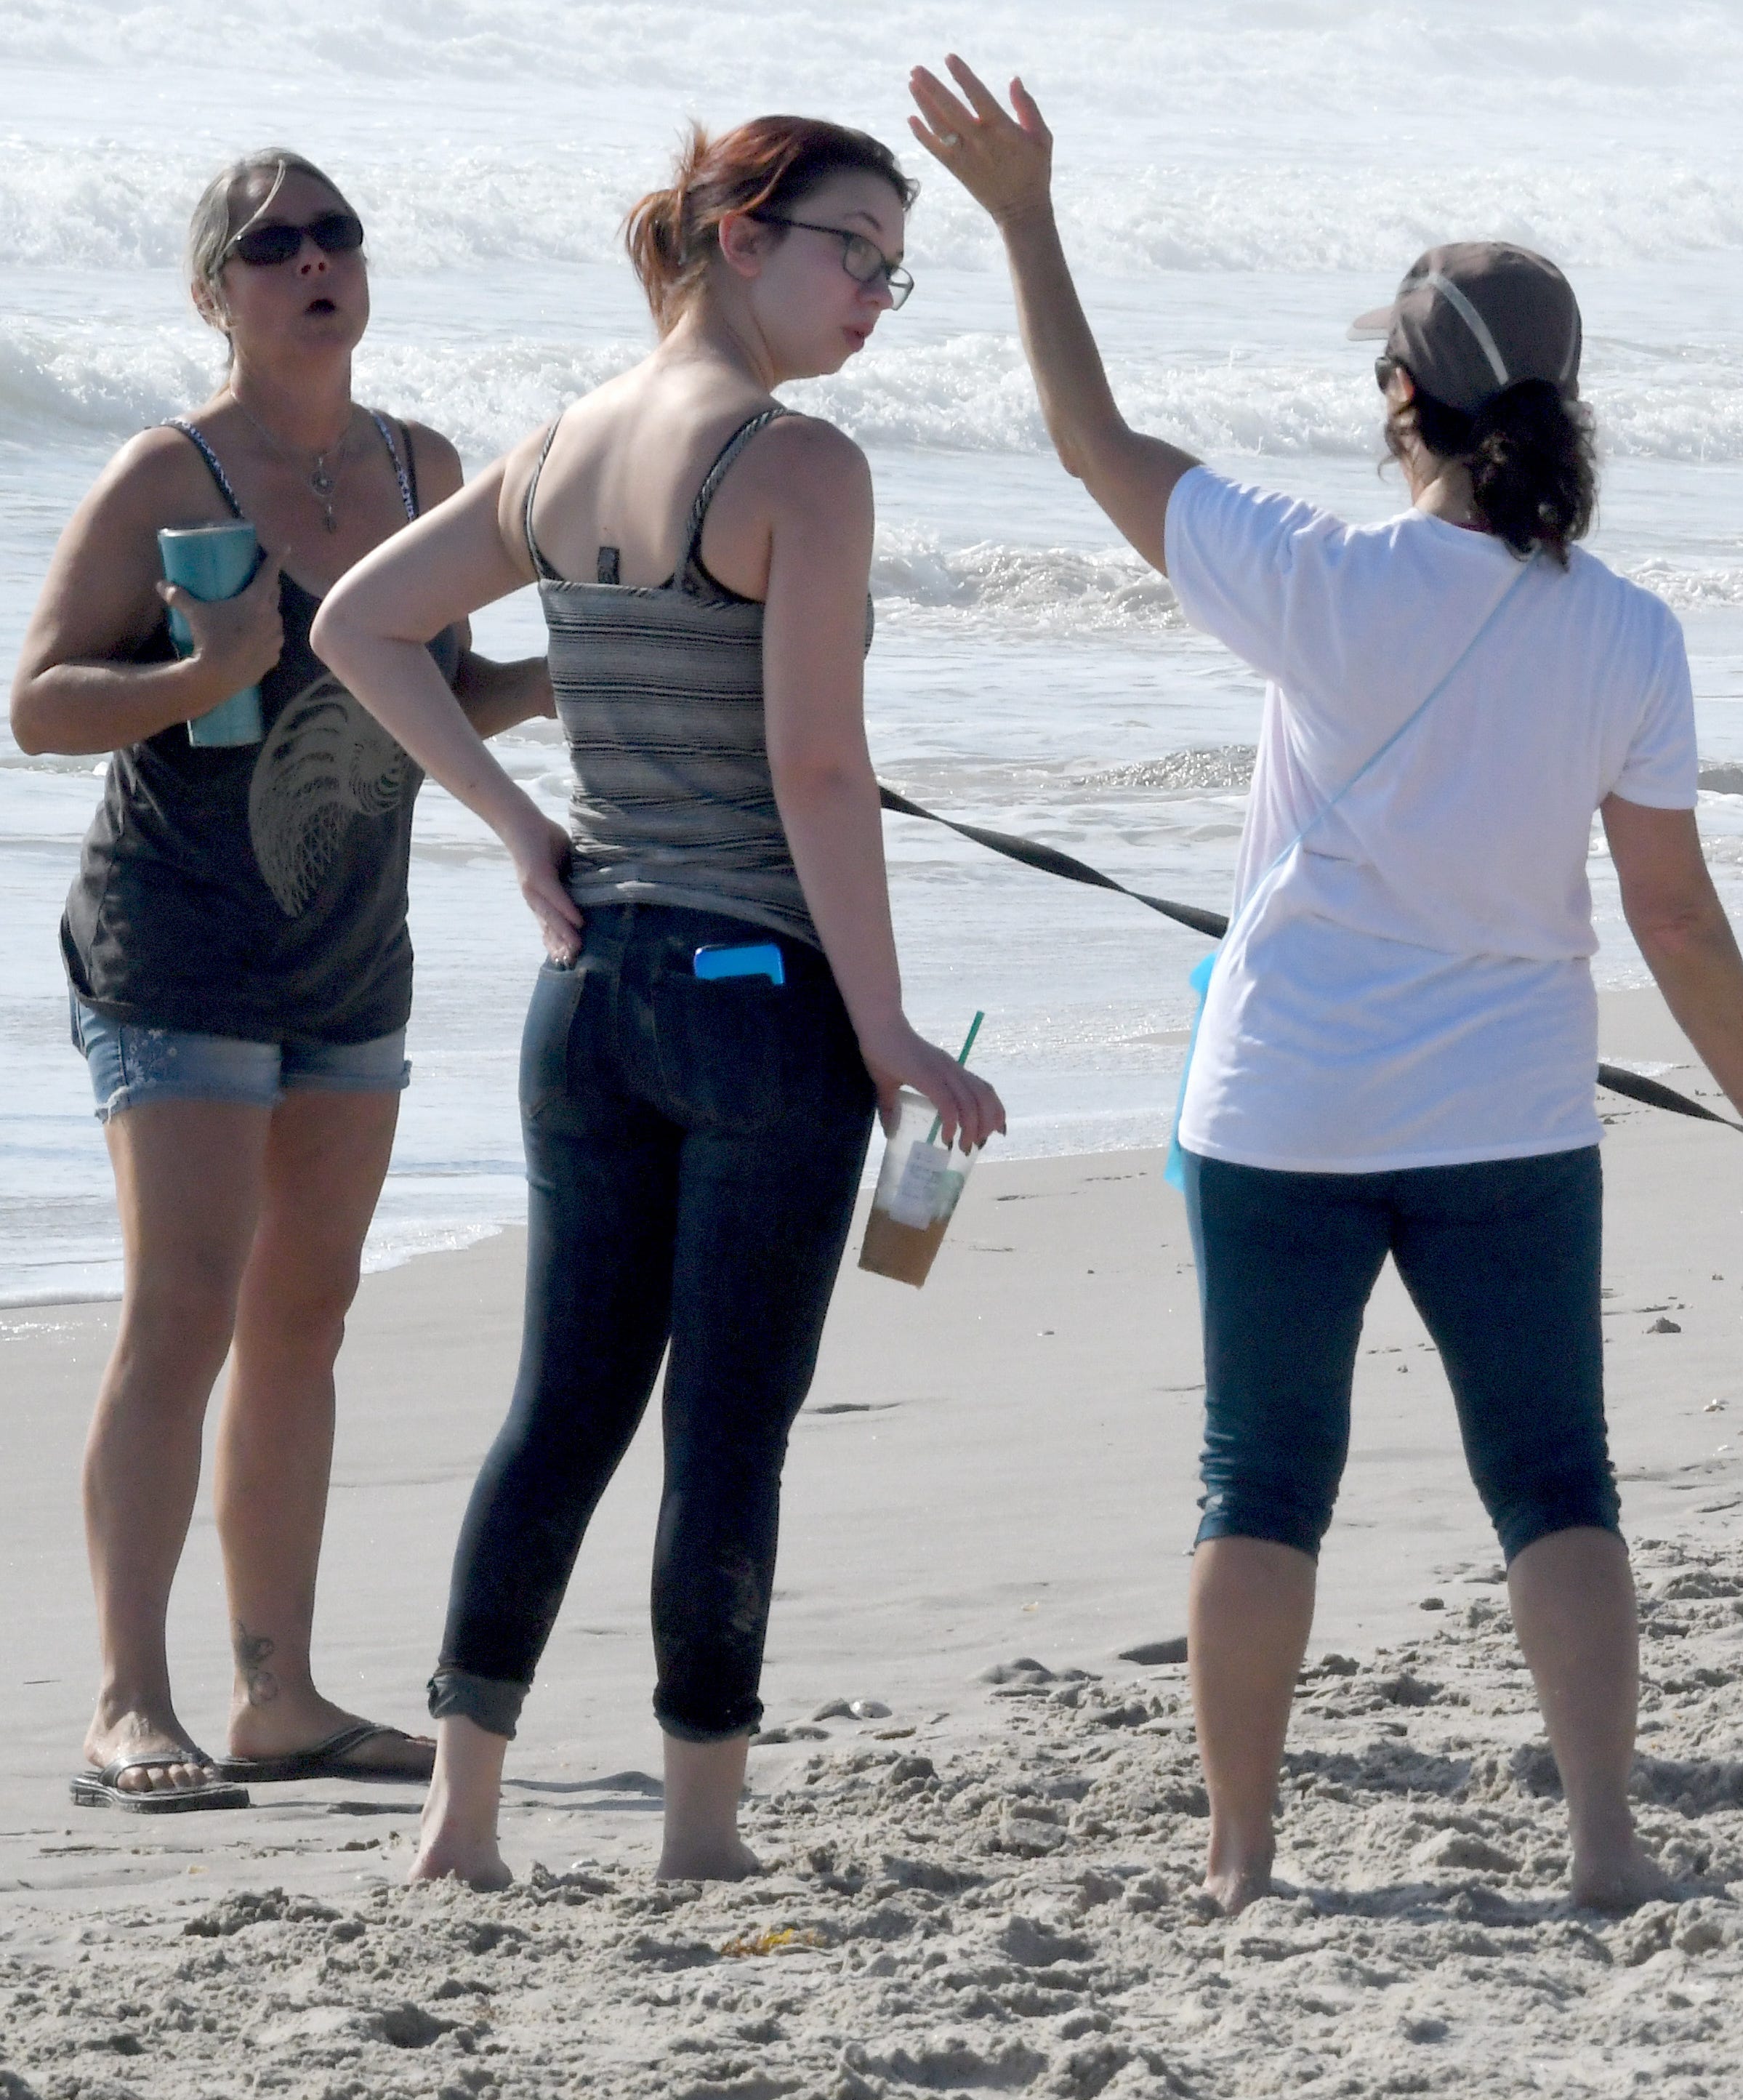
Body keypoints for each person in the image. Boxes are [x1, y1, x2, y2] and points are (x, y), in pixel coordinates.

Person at [903, 56, 1743, 1917]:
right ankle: (1604, 1848)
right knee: (1552, 1479)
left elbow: (1091, 440)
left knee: (1258, 1478)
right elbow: (1674, 921)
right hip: (1506, 1108)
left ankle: (1242, 1859)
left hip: (1285, 1102)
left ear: (1404, 397)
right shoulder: (1627, 632)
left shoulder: (1317, 577)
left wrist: (1025, 220)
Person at [313, 116, 1005, 1886]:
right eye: (852, 249)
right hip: (756, 995)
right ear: (738, 234)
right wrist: (889, 1027)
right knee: (724, 1425)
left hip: (593, 990)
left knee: (561, 1406)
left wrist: (526, 836)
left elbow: (362, 629)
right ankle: (701, 1833)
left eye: (894, 266)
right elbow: (821, 769)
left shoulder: (560, 448)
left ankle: (458, 1824)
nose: (875, 294)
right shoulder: (798, 467)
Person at [11, 152, 550, 1816]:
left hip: (345, 952)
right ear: (215, 291)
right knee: (183, 1306)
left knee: (302, 1319)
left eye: (336, 233)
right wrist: (196, 673)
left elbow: (447, 697)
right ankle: (125, 1701)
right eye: (272, 245)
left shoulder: (425, 467)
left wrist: (627, 664)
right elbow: (36, 705)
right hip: (174, 942)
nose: (313, 261)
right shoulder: (164, 474)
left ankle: (281, 1695)